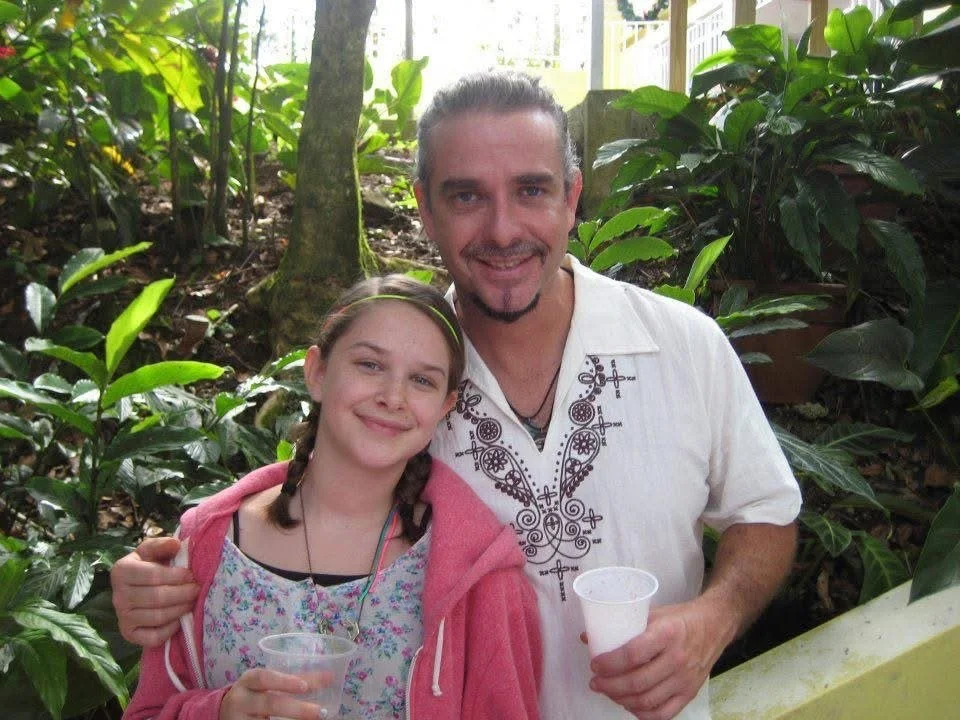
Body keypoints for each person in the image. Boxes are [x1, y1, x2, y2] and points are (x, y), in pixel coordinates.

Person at [112, 72, 801, 720]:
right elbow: (304, 500)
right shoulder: (401, 387)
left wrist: (716, 618)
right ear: (424, 208)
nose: (502, 230)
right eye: (467, 195)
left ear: (572, 195)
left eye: (531, 190)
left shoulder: (683, 345)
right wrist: (175, 568)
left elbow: (764, 512)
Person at [121, 275, 542, 720]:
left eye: (421, 380)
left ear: (444, 406)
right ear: (318, 372)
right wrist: (218, 712)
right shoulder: (204, 548)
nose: (392, 397)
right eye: (370, 365)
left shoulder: (476, 574)